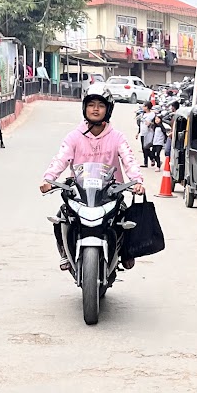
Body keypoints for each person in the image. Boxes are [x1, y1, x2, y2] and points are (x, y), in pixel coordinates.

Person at [40, 89, 143, 266]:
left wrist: (138, 181)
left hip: (110, 192)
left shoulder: (117, 137)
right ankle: (66, 252)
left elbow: (129, 160)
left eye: (101, 105)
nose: (95, 109)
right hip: (80, 193)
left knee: (126, 217)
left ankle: (125, 252)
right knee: (61, 217)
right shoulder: (74, 137)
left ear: (108, 109)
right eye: (91, 105)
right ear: (84, 108)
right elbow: (60, 159)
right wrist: (48, 178)